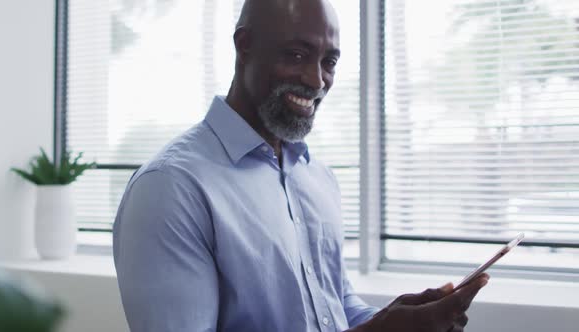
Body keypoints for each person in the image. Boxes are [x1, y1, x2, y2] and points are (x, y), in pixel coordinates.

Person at [112, 0, 490, 331]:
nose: (316, 80)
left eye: (329, 62)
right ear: (245, 46)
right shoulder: (170, 188)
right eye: (295, 55)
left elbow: (335, 309)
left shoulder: (316, 177)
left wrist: (398, 318)